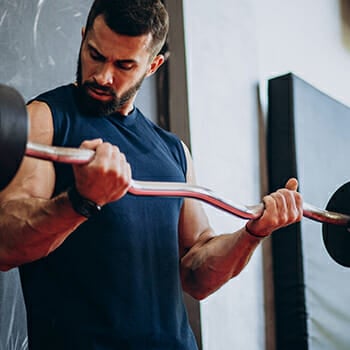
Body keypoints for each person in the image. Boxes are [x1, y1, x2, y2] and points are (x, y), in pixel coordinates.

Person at [0, 0, 303, 349]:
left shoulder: (173, 150)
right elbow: (7, 242)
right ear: (84, 38)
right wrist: (81, 201)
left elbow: (197, 276)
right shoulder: (46, 118)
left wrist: (252, 232)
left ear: (152, 65)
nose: (102, 76)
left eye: (124, 65)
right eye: (95, 54)